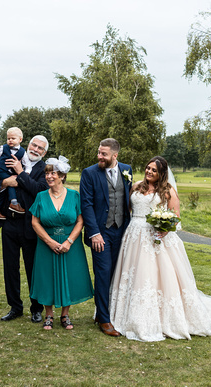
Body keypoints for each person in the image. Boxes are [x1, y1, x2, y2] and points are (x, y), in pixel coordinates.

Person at [111, 157, 211, 342]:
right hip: (134, 236)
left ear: (162, 173)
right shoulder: (136, 186)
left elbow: (175, 218)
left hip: (156, 238)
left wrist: (164, 228)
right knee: (135, 275)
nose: (149, 172)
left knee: (156, 277)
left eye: (153, 170)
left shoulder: (168, 191)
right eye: (147, 168)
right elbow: (129, 208)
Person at [29, 156, 94, 330]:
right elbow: (35, 222)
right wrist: (49, 242)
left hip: (70, 245)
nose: (49, 176)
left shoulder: (74, 196)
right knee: (46, 277)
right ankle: (48, 315)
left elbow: (80, 221)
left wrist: (69, 241)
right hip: (46, 244)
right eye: (47, 173)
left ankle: (65, 315)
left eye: (53, 173)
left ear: (62, 176)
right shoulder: (41, 196)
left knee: (70, 277)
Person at [0, 135, 49, 324]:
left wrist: (20, 173)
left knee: (33, 269)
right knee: (10, 268)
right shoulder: (11, 158)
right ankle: (15, 307)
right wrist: (5, 183)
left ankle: (36, 308)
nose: (35, 149)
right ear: (28, 144)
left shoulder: (44, 168)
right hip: (10, 223)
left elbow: (40, 190)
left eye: (40, 148)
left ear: (44, 152)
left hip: (32, 225)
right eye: (34, 145)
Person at [80, 138, 133, 337]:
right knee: (103, 274)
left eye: (104, 154)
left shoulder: (127, 170)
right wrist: (94, 233)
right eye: (99, 153)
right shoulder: (89, 173)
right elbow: (86, 204)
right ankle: (104, 319)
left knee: (116, 274)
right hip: (100, 233)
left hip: (121, 231)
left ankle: (103, 312)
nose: (99, 157)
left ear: (115, 155)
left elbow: (127, 199)